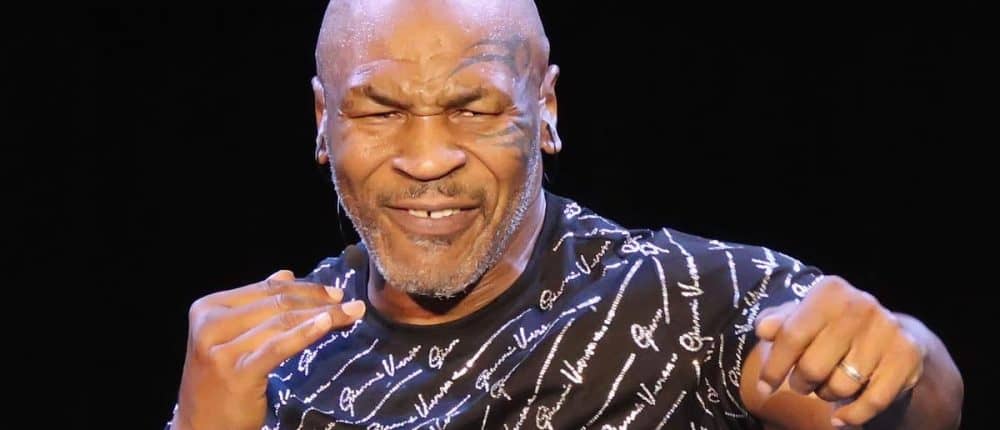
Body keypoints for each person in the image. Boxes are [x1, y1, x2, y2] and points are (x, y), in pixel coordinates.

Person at [167, 1, 963, 429]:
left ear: (543, 110)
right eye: (379, 113)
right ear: (323, 122)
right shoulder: (272, 363)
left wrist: (907, 359)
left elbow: (897, 405)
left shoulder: (683, 297)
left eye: (473, 109)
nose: (427, 157)